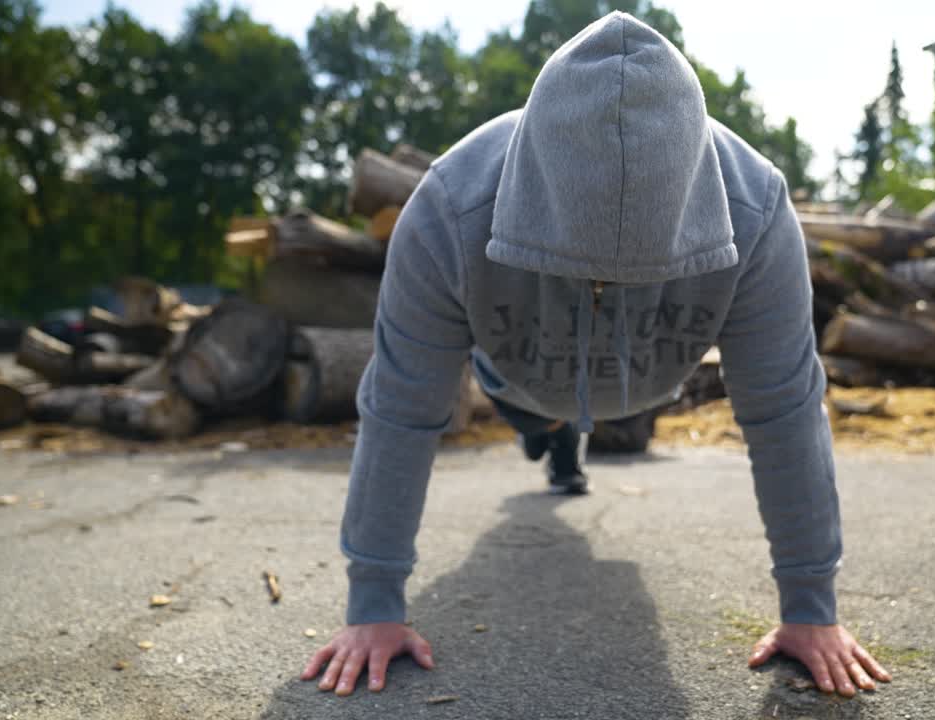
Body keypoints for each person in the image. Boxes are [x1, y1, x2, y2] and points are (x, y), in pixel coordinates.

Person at [301, 11, 891, 700]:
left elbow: (783, 408)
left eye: (629, 274)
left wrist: (811, 607)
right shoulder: (449, 209)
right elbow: (402, 406)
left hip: (649, 378)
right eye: (577, 270)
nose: (603, 285)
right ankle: (551, 438)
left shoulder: (755, 211)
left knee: (608, 437)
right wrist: (373, 606)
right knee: (539, 422)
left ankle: (567, 440)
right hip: (515, 375)